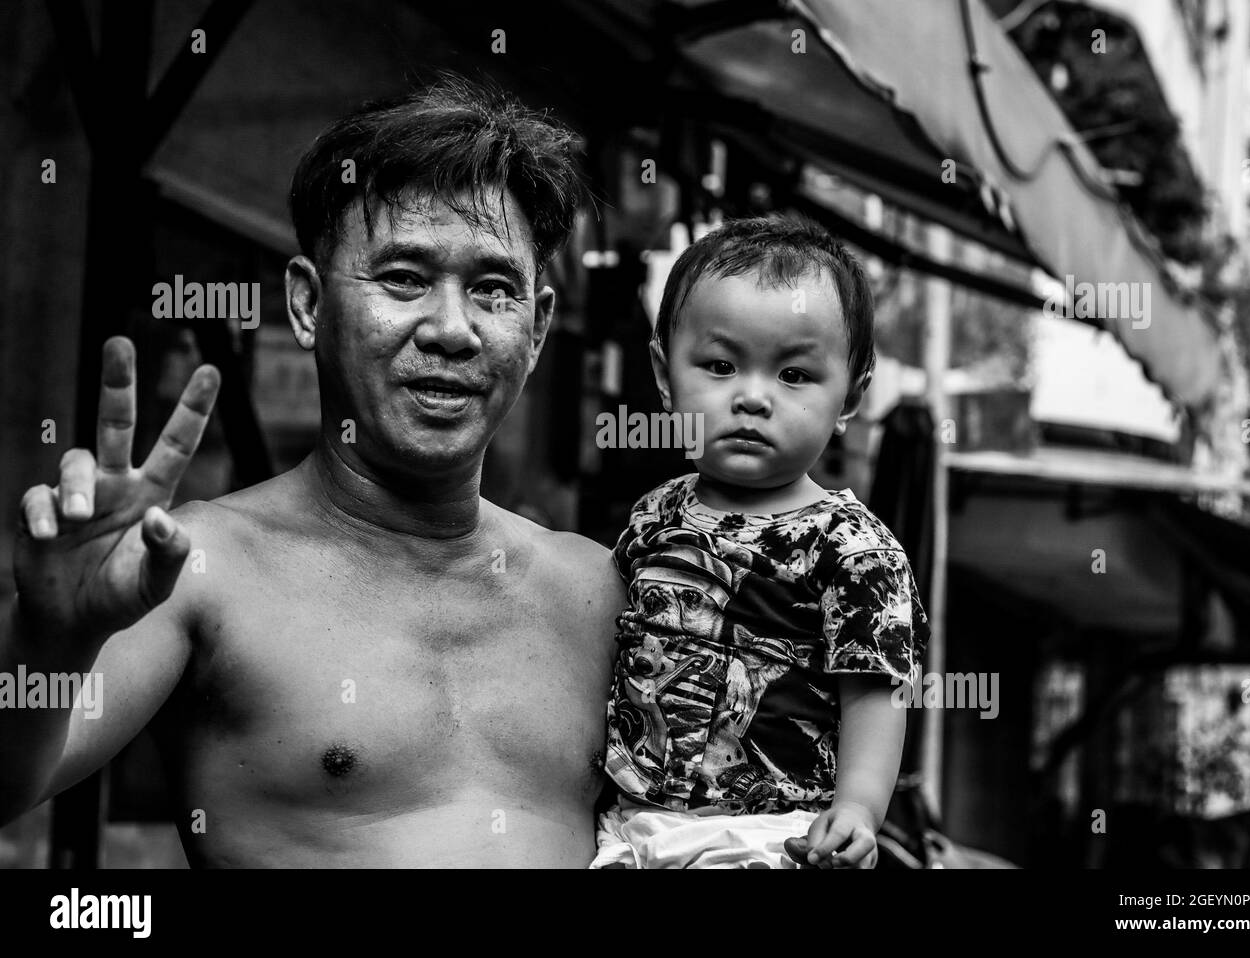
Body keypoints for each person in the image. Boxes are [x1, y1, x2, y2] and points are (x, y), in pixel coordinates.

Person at [0, 76, 627, 867]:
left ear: (536, 329)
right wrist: (49, 641)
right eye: (403, 279)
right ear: (306, 305)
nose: (451, 330)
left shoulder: (598, 589)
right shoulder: (198, 569)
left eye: (493, 290)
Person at [593, 217, 930, 868]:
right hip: (629, 828)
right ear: (665, 376)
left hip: (772, 836)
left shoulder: (853, 548)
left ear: (851, 396)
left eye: (795, 375)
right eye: (720, 365)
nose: (752, 397)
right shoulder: (652, 518)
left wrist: (858, 810)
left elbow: (875, 693)